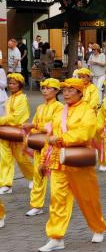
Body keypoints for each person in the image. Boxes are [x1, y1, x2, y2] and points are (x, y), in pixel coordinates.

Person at [37, 78, 106, 252]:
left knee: (88, 199)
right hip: (58, 161)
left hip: (79, 161)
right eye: (65, 90)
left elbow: (86, 133)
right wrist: (42, 161)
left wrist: (62, 138)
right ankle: (56, 237)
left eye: (71, 90)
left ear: (80, 93)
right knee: (57, 200)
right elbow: (50, 137)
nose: (66, 93)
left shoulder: (88, 111)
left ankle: (98, 227)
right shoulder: (59, 111)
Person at [20, 78, 63, 216]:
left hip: (54, 147)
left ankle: (61, 203)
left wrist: (35, 126)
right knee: (38, 174)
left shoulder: (59, 107)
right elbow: (33, 127)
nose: (44, 91)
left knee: (58, 178)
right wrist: (25, 142)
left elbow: (54, 126)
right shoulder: (40, 107)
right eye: (43, 88)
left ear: (56, 91)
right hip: (41, 146)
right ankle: (37, 205)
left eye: (48, 88)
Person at [0, 73, 34, 194]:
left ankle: (34, 177)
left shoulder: (23, 99)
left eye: (14, 83)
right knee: (5, 158)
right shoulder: (9, 98)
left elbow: (16, 118)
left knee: (21, 159)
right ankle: (6, 184)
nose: (11, 85)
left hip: (19, 132)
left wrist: (1, 121)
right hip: (6, 132)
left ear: (20, 85)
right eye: (10, 83)